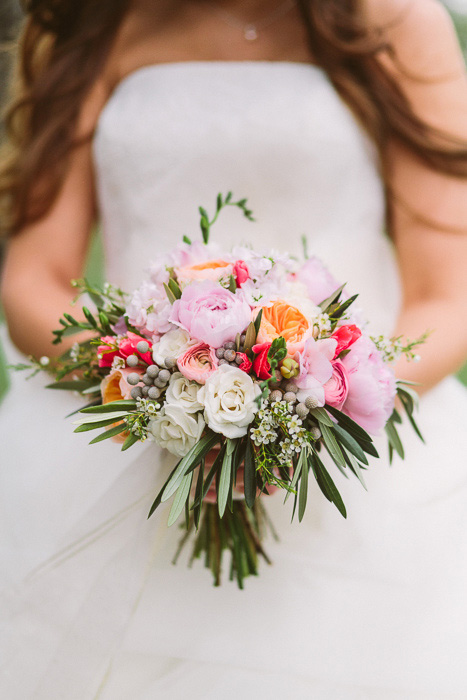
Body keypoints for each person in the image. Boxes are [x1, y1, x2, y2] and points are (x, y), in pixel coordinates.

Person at [1, 0, 467, 697]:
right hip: (121, 450)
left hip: (362, 462)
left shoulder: (396, 20)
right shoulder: (93, 19)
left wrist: (312, 407)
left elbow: (446, 298)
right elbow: (32, 280)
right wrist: (149, 384)